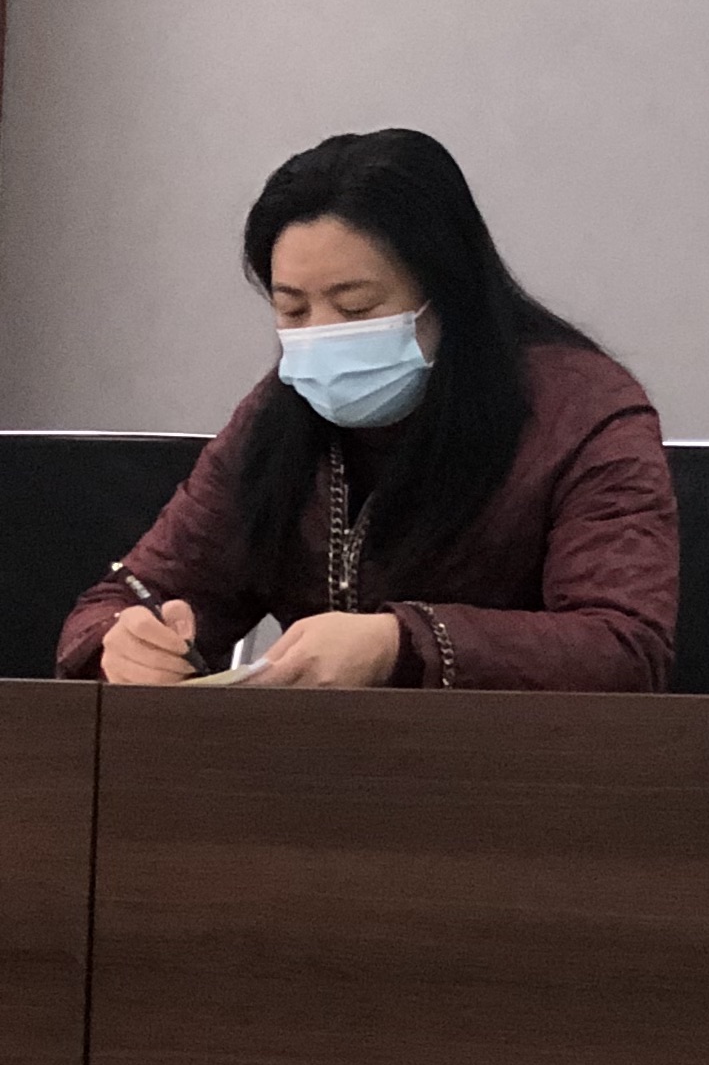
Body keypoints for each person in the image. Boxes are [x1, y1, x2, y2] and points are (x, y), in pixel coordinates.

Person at [58, 129, 677, 691]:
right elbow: (122, 600)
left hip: (518, 766)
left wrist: (400, 643)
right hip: (315, 765)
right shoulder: (277, 418)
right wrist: (123, 644)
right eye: (292, 310)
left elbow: (624, 647)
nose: (320, 335)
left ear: (448, 295)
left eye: (355, 308)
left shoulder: (582, 411)